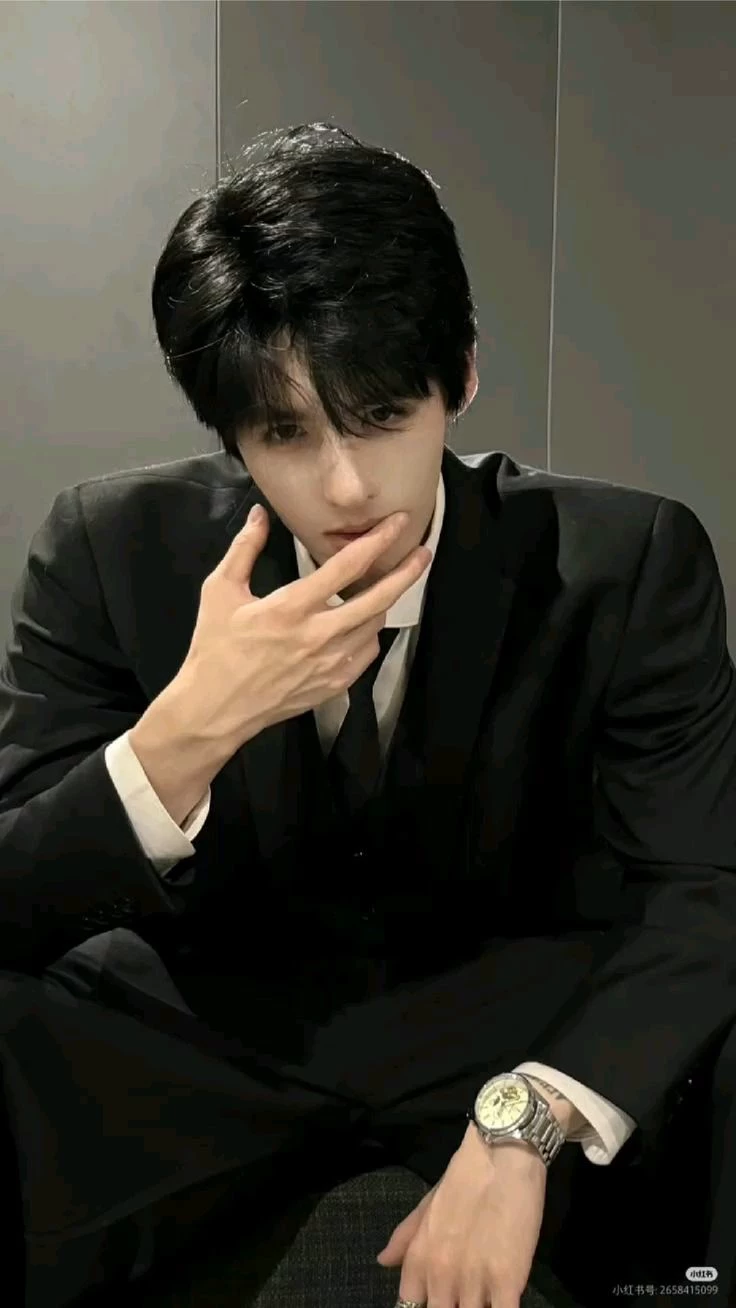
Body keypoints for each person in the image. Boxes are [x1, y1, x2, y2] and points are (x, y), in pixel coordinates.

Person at [0, 120, 734, 1308]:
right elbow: (13, 903)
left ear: (463, 376)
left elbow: (698, 892)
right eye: (284, 433)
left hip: (494, 1044)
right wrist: (187, 733)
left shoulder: (625, 562)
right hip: (207, 1062)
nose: (343, 485)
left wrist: (526, 1119)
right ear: (227, 432)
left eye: (383, 415)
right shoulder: (110, 547)